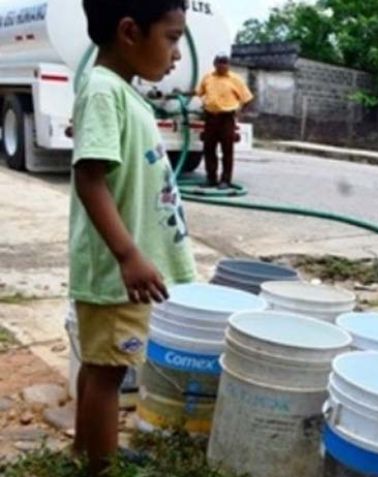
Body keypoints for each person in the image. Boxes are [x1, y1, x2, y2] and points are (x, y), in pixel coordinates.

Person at [72, 1, 196, 474]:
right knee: (109, 373)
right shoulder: (105, 90)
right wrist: (129, 255)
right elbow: (89, 179)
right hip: (116, 274)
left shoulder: (117, 91)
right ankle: (100, 468)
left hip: (118, 273)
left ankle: (88, 450)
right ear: (129, 32)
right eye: (171, 37)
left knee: (99, 365)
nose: (178, 53)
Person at [196, 53, 254, 189]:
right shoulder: (208, 77)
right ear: (214, 64)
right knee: (209, 149)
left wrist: (240, 113)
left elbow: (248, 99)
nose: (222, 65)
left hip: (226, 118)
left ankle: (225, 180)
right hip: (210, 117)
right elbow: (199, 92)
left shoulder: (235, 80)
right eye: (219, 63)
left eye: (225, 63)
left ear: (228, 65)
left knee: (227, 150)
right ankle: (211, 178)